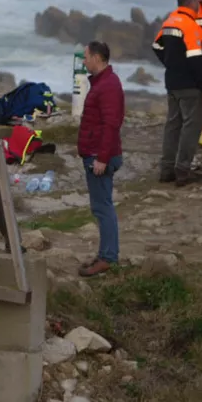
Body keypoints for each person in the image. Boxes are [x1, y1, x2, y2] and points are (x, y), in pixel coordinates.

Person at [76, 41, 124, 277]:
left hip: (100, 155)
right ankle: (106, 253)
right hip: (96, 153)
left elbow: (111, 124)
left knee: (102, 207)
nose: (84, 61)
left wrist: (102, 158)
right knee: (101, 206)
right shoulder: (103, 83)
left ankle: (108, 257)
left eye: (85, 57)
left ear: (97, 57)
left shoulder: (108, 85)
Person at [154, 0, 202, 185]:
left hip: (172, 82)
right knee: (191, 126)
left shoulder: (170, 20)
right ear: (191, 3)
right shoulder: (191, 26)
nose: (199, 6)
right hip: (190, 85)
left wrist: (171, 64)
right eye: (197, 2)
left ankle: (166, 169)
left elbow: (157, 46)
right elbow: (196, 61)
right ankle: (183, 170)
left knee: (173, 125)